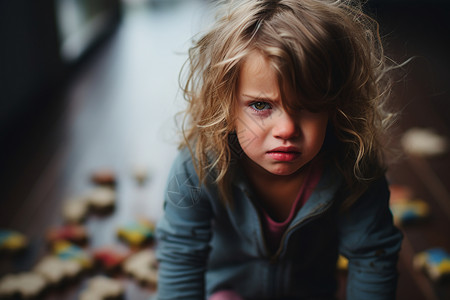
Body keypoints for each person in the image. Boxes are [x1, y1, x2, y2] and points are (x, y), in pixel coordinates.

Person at [156, 0, 403, 299]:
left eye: (308, 106)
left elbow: (372, 258)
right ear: (227, 105)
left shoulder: (354, 166)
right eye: (261, 105)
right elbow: (180, 256)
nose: (286, 129)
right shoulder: (196, 165)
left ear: (337, 105)